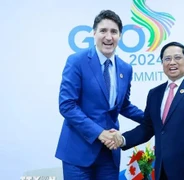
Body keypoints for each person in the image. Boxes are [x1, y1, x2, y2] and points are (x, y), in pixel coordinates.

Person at [107, 41, 184, 180]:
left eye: (177, 57)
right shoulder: (155, 93)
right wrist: (123, 139)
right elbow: (148, 127)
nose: (172, 62)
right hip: (163, 171)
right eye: (167, 59)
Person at [55, 10, 144, 180]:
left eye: (114, 32)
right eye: (103, 31)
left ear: (120, 36)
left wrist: (154, 118)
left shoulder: (125, 68)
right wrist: (99, 133)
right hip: (78, 151)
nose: (108, 37)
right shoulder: (76, 61)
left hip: (109, 153)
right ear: (94, 33)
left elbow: (123, 105)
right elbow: (67, 105)